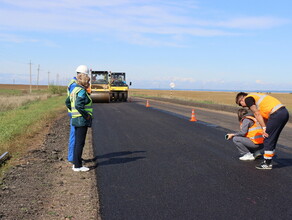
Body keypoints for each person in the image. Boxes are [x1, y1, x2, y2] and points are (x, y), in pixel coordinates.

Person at [235, 92, 289, 169]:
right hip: (283, 113)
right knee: (271, 137)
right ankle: (268, 160)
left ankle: (267, 163)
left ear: (242, 99)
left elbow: (256, 113)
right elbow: (265, 118)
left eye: (240, 104)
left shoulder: (248, 99)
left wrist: (264, 128)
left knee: (268, 138)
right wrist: (265, 127)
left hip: (276, 114)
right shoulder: (257, 99)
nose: (242, 106)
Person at [66, 73, 92, 172]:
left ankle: (76, 163)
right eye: (88, 81)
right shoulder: (81, 91)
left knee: (77, 142)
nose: (89, 83)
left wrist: (72, 111)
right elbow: (78, 105)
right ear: (85, 82)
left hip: (75, 119)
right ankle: (78, 166)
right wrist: (87, 115)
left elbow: (67, 102)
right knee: (80, 143)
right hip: (81, 120)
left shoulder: (74, 90)